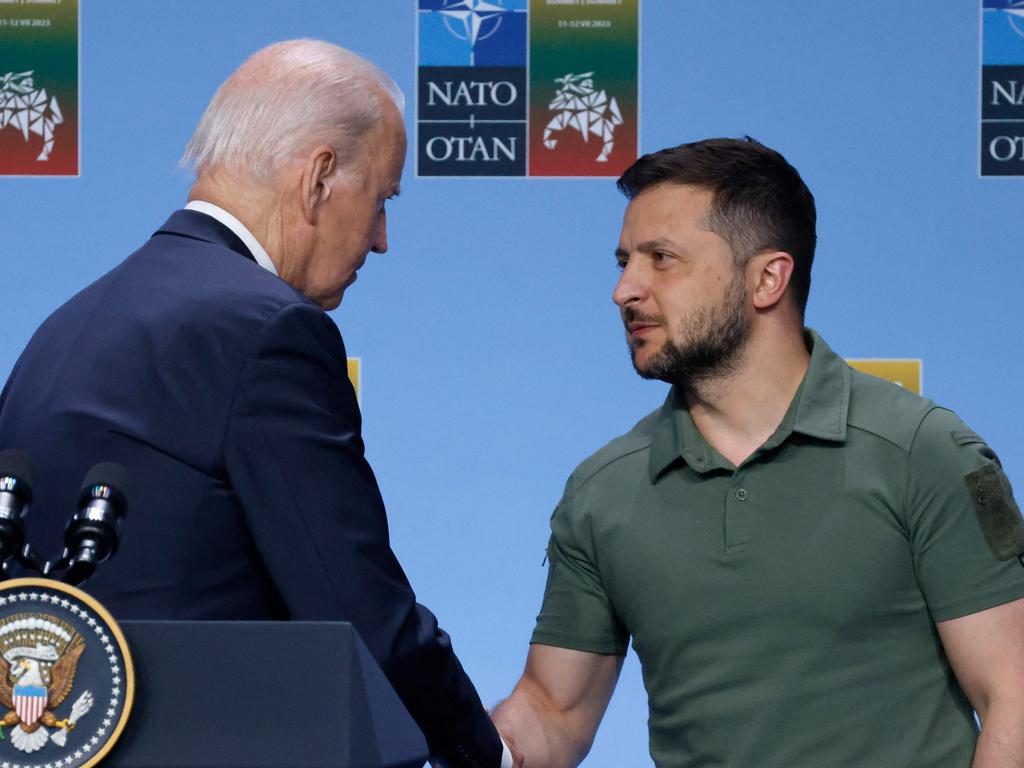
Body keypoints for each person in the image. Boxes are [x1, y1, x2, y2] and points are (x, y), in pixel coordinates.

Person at [0, 39, 513, 768]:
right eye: (382, 201)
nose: (382, 240)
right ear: (320, 177)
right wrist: (488, 753)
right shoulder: (268, 330)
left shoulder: (62, 327)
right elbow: (358, 607)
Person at [492, 137, 1024, 767]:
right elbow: (553, 711)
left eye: (661, 259)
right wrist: (445, 736)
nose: (625, 290)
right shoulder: (602, 491)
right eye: (623, 261)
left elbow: (1011, 698)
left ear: (767, 278)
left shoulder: (925, 452)